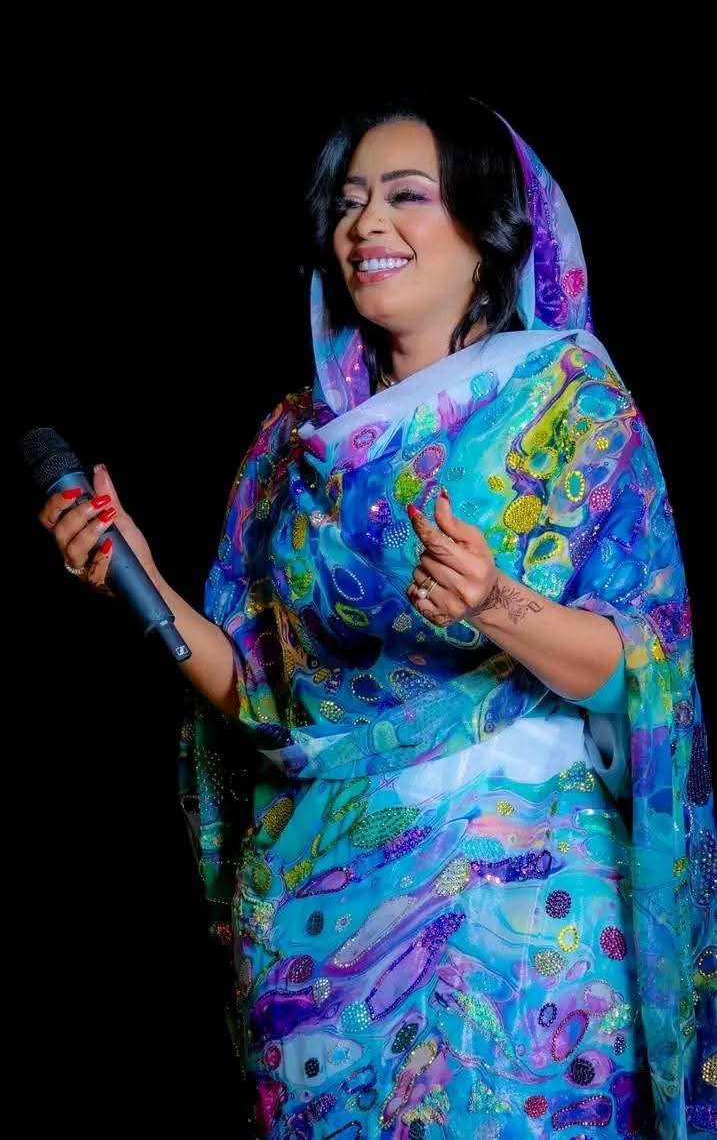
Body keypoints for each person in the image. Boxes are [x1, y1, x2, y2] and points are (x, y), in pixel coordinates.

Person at [38, 96, 715, 1138]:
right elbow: (257, 695)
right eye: (350, 203)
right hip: (320, 914)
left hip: (521, 902)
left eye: (407, 195)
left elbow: (641, 665)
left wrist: (496, 603)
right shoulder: (290, 443)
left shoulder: (567, 403)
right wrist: (141, 577)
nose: (367, 225)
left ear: (489, 230)